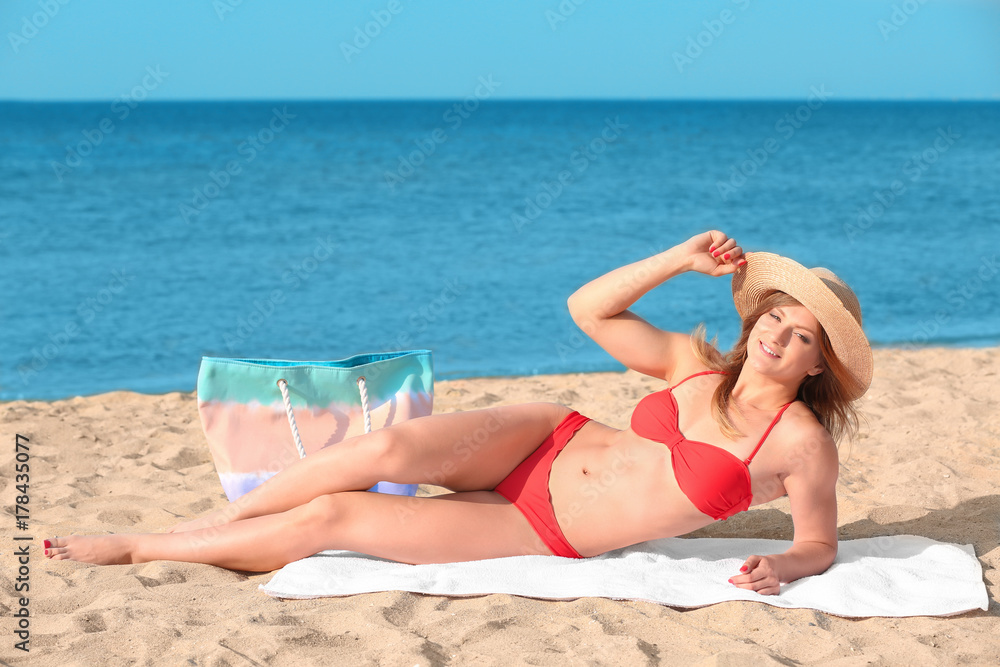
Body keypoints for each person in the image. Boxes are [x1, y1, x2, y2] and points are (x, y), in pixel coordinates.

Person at [45, 230, 872, 596]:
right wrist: (677, 258)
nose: (778, 336)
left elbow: (818, 541)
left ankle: (142, 545)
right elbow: (589, 310)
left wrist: (787, 567)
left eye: (802, 336)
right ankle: (211, 521)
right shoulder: (693, 362)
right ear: (756, 313)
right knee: (393, 444)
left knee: (334, 515)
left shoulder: (799, 443)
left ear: (816, 363)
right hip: (547, 434)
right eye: (775, 315)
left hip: (542, 529)